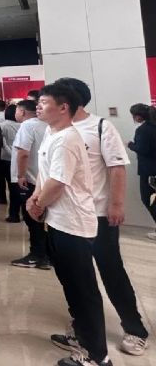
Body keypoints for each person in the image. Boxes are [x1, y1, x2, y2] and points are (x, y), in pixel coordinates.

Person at [47, 79, 149, 357]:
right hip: (64, 218)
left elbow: (117, 167)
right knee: (75, 278)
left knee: (111, 270)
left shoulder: (100, 127)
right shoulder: (54, 129)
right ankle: (83, 331)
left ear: (69, 101)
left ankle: (135, 329)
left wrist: (116, 205)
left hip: (98, 214)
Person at [27, 84, 111, 366]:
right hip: (58, 220)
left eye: (44, 102)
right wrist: (36, 197)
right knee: (71, 286)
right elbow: (46, 175)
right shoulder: (52, 133)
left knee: (83, 291)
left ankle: (97, 355)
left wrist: (38, 204)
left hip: (73, 224)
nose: (38, 106)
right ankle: (81, 337)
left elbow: (58, 182)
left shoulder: (66, 139)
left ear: (63, 107)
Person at [10, 100, 50, 269]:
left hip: (29, 179)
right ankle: (47, 254)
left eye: (17, 110)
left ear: (23, 112)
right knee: (42, 218)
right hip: (43, 180)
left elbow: (23, 153)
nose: (15, 114)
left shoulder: (28, 126)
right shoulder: (46, 124)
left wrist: (20, 175)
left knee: (32, 218)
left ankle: (38, 255)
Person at [129, 103, 156, 238]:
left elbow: (142, 149)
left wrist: (130, 145)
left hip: (149, 171)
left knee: (147, 199)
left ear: (138, 116)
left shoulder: (143, 130)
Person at [0, 104, 21, 221]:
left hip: (6, 159)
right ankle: (20, 212)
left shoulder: (3, 125)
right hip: (20, 159)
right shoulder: (23, 125)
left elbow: (2, 143)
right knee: (18, 187)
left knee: (11, 187)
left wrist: (11, 153)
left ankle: (13, 214)